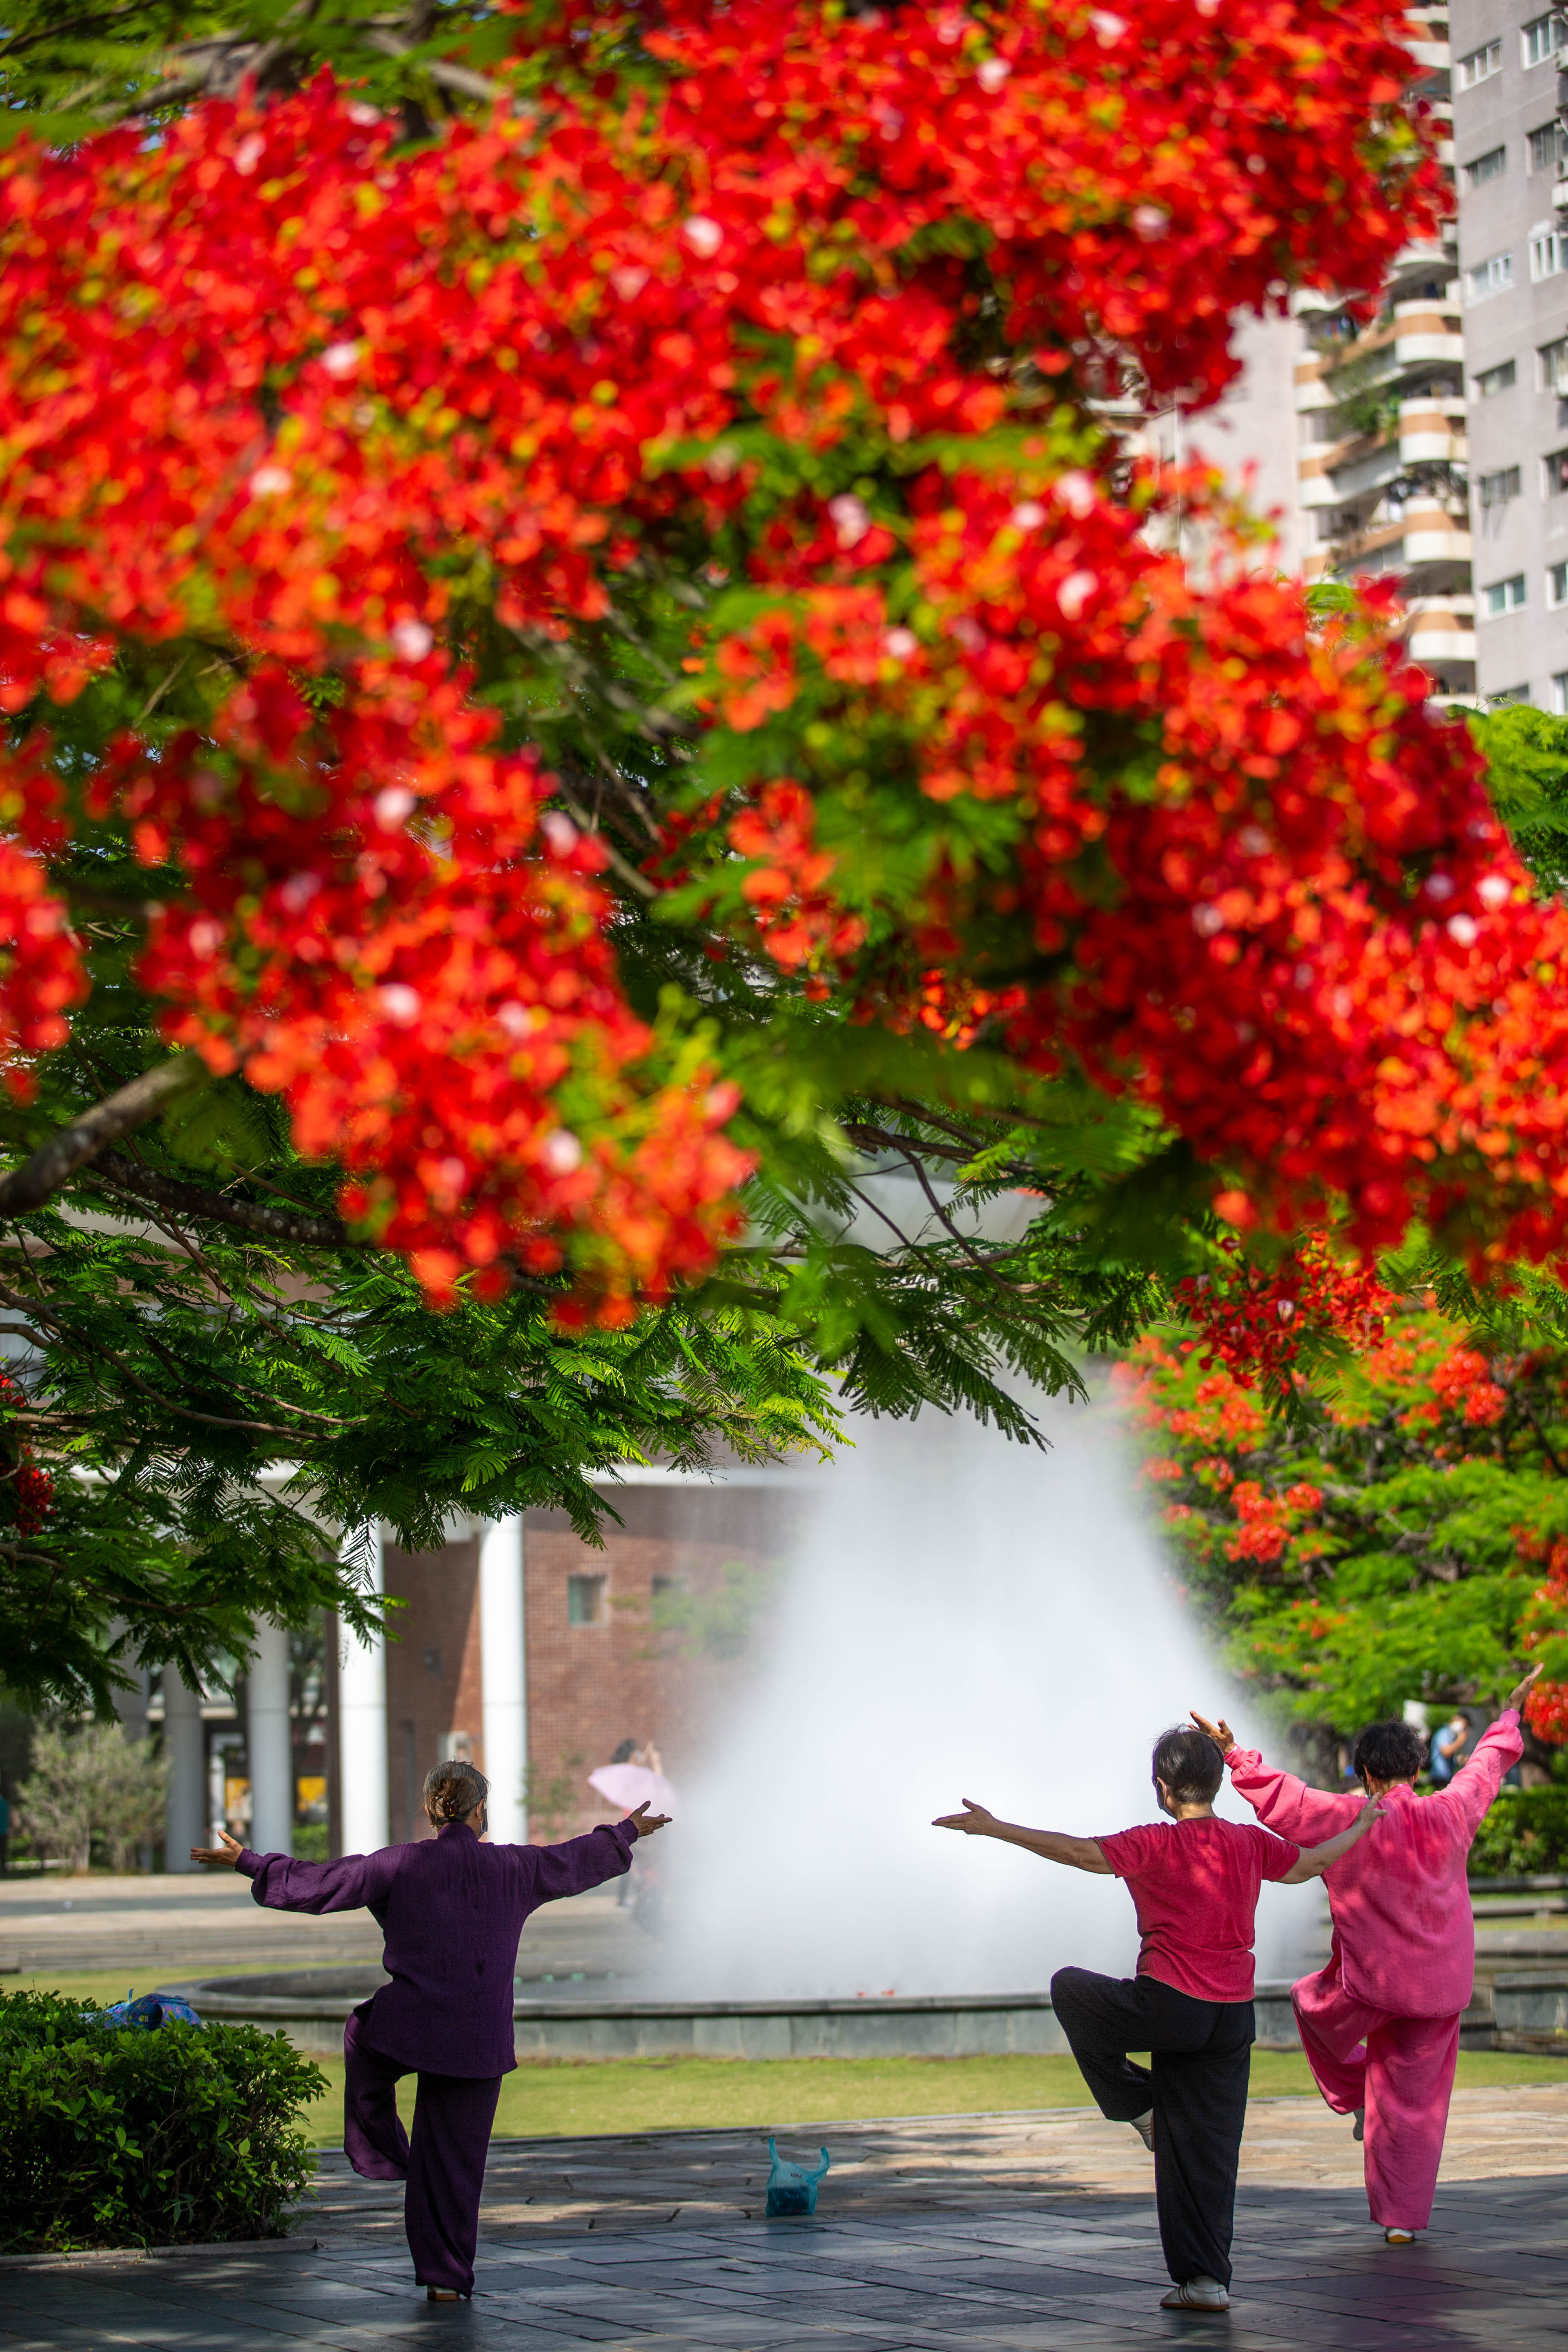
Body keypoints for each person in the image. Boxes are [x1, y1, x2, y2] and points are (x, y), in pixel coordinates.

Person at [934, 1725, 1382, 2314]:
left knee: (1071, 1991)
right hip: (1230, 2021)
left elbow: (1076, 1852)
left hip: (1170, 2007)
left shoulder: (1154, 1844)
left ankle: (1136, 2106)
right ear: (1217, 1784)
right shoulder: (1249, 1843)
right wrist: (1363, 1823)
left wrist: (995, 1827)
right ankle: (1207, 2282)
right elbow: (1311, 1865)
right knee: (1210, 2152)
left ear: (1164, 1790)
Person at [193, 1759, 668, 2300]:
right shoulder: (514, 1868)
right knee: (454, 2164)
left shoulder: (400, 1865)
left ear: (430, 1811)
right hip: (478, 2041)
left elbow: (322, 1884)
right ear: (480, 1811)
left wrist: (247, 1861)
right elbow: (574, 1860)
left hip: (411, 2025)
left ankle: (384, 2151)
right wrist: (628, 1830)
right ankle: (445, 2280)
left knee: (362, 2031)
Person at [1193, 1661, 1540, 2249]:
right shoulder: (1451, 1811)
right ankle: (1401, 2220)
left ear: (1364, 1772)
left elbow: (1285, 1799)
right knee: (1414, 2101)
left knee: (1309, 2002)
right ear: (1412, 1768)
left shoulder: (1348, 1816)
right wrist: (1510, 1711)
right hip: (1439, 1986)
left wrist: (1232, 1754)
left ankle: (1356, 2095)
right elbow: (1486, 1766)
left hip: (1369, 1986)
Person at [1427, 1712, 1469, 1788]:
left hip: (1447, 1777)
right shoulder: (1443, 1733)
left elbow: (1451, 1757)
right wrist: (1460, 1741)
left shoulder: (1452, 1735)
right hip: (1439, 1777)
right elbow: (1446, 1752)